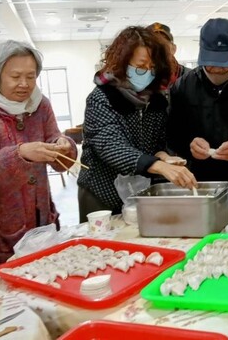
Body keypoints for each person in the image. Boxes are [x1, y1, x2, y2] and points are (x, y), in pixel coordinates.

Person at [0, 40, 77, 286]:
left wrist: (63, 145)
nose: (24, 84)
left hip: (41, 221)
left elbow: (59, 157)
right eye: (15, 76)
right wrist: (22, 154)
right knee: (6, 299)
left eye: (31, 76)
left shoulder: (40, 105)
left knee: (49, 287)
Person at [77, 26, 197, 222]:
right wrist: (158, 166)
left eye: (152, 67)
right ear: (122, 62)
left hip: (136, 191)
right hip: (100, 193)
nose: (147, 72)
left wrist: (164, 156)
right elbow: (111, 147)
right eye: (141, 66)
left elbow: (156, 143)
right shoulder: (101, 97)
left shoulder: (155, 100)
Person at [167, 18, 228, 201]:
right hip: (201, 184)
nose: (215, 70)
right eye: (210, 62)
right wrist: (190, 145)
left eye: (223, 63)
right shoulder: (184, 86)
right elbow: (173, 136)